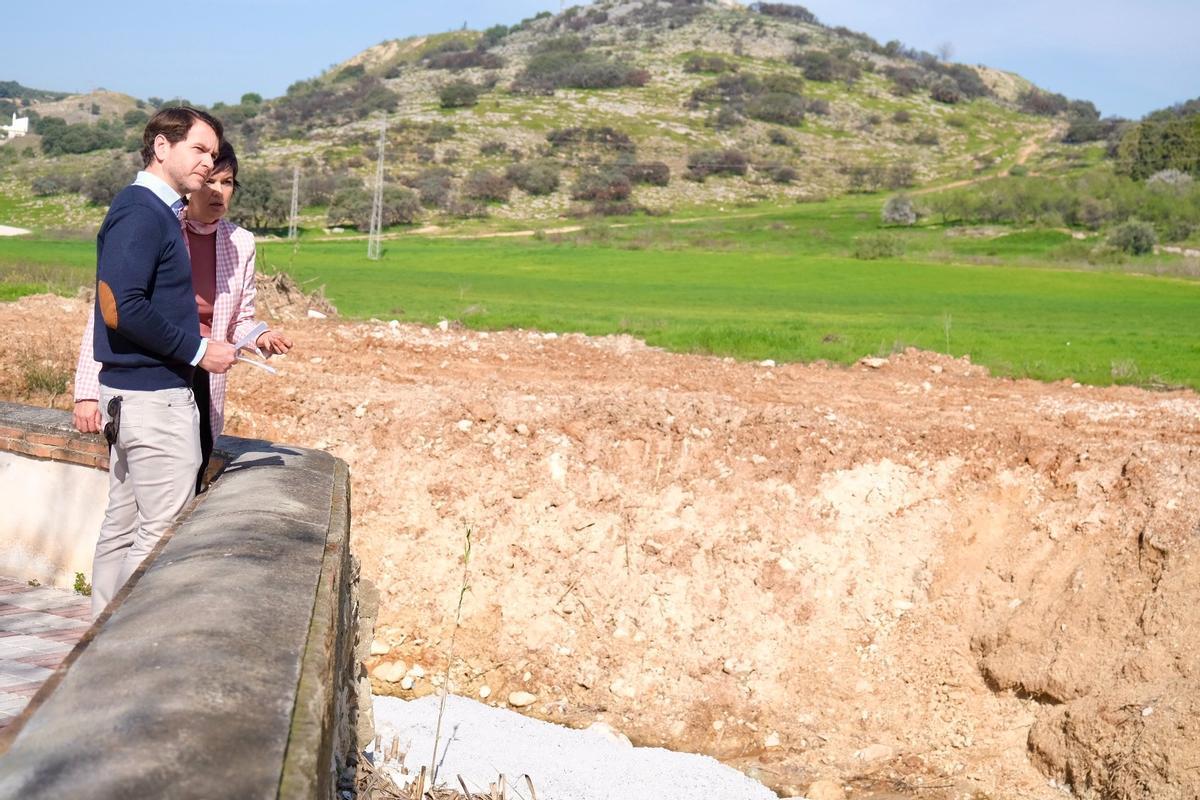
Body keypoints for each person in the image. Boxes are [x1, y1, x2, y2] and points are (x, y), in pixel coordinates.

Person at [73, 107, 236, 618]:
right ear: (162, 148)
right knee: (161, 534)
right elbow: (120, 305)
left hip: (132, 396)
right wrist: (198, 350)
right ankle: (125, 648)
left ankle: (98, 643)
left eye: (213, 154)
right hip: (153, 400)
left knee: (123, 525)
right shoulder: (144, 211)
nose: (208, 163)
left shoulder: (152, 210)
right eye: (199, 149)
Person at [75, 140, 292, 494]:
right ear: (192, 183)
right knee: (138, 495)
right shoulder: (161, 228)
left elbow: (238, 318)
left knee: (191, 477)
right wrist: (86, 393)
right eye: (210, 181)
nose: (219, 192)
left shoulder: (241, 242)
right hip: (151, 373)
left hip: (203, 376)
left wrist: (259, 336)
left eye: (228, 183)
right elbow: (110, 311)